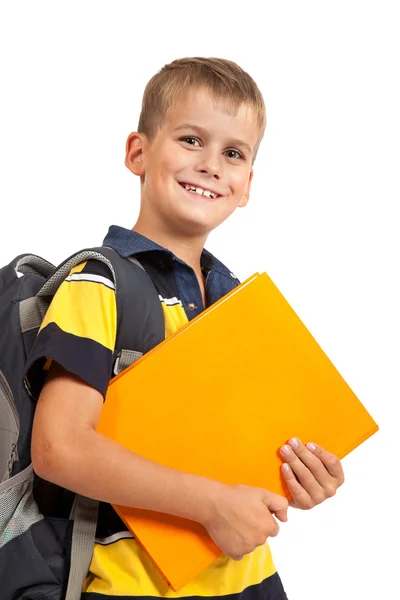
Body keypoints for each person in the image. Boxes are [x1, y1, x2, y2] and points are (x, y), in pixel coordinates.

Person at [26, 57, 345, 600]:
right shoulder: (100, 283)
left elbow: (241, 448)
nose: (211, 165)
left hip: (252, 580)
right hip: (133, 587)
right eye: (191, 140)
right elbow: (59, 447)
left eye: (233, 153)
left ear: (247, 186)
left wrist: (302, 475)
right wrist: (211, 505)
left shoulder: (240, 300)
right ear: (138, 153)